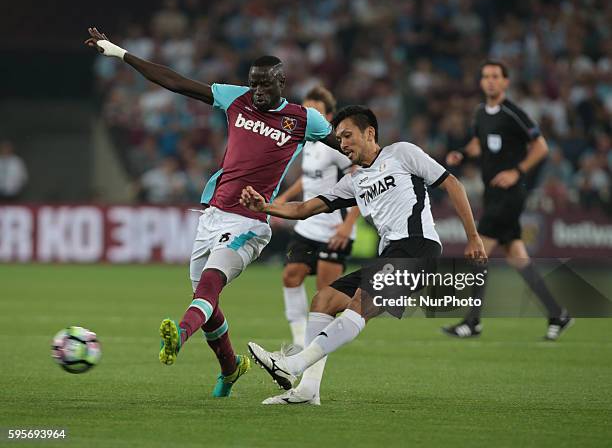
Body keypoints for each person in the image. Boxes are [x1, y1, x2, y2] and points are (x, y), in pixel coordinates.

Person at [85, 27, 336, 397]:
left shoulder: (303, 120)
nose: (258, 92)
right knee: (209, 307)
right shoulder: (238, 100)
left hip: (250, 222)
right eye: (254, 85)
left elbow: (346, 145)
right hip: (212, 215)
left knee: (209, 286)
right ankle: (231, 368)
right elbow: (176, 82)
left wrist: (384, 166)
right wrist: (120, 53)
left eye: (265, 85)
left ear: (283, 81)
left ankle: (177, 337)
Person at [240, 105, 486, 403]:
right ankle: (307, 390)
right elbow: (304, 209)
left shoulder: (402, 153)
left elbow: (452, 184)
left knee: (358, 303)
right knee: (324, 299)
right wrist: (264, 206)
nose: (342, 144)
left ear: (369, 133)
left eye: (347, 135)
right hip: (390, 255)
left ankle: (293, 363)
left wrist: (473, 237)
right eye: (339, 138)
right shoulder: (353, 182)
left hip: (418, 248)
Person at [442, 60, 573, 340]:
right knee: (517, 257)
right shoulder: (480, 113)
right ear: (481, 82)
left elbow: (541, 146)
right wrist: (463, 154)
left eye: (495, 77)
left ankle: (472, 321)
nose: (490, 81)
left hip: (510, 195)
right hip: (493, 195)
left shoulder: (514, 113)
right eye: (485, 76)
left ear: (505, 82)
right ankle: (558, 314)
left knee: (478, 252)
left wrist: (517, 171)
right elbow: (479, 143)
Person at [274, 86, 359, 353]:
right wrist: (283, 198)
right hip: (308, 224)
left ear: (329, 116)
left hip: (334, 228)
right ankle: (301, 342)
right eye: (307, 110)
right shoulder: (308, 142)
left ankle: (353, 316)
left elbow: (359, 182)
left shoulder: (335, 146)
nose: (310, 115)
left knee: (325, 295)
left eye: (316, 112)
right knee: (291, 276)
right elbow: (309, 177)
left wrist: (347, 226)